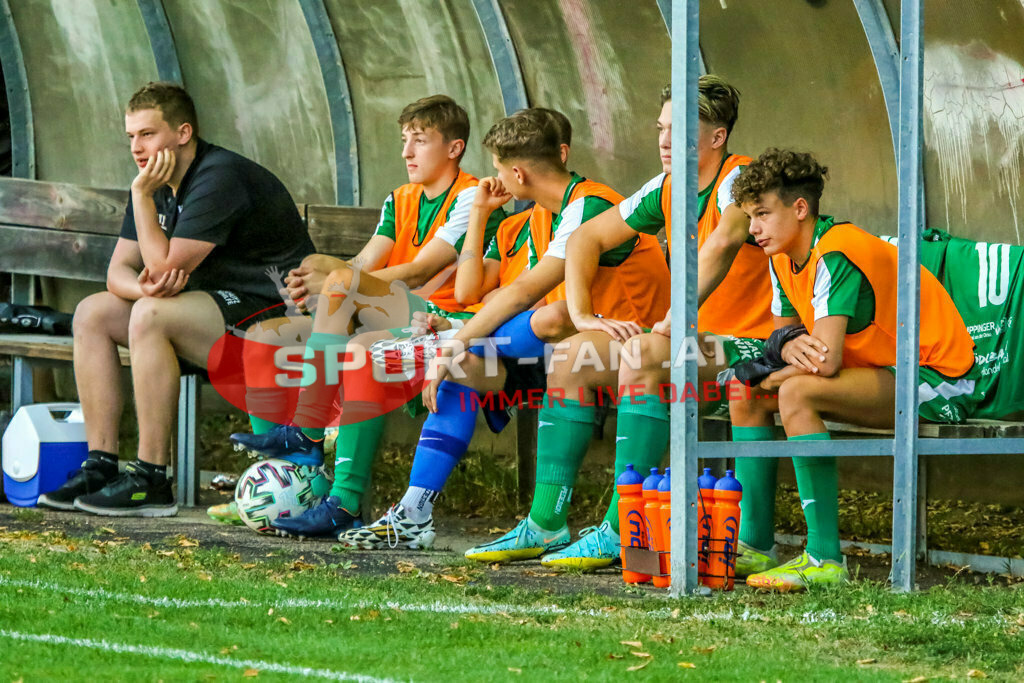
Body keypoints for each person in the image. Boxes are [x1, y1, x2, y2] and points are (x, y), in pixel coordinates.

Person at [353, 109, 670, 556]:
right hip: (555, 353)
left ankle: (447, 345)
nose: (496, 178)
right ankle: (414, 511)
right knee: (463, 366)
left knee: (544, 318)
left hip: (620, 347)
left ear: (517, 173)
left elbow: (525, 295)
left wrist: (458, 336)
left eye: (500, 170)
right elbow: (497, 294)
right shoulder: (541, 215)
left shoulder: (588, 205)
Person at [231, 95, 505, 537]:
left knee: (342, 295)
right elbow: (364, 265)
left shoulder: (472, 194)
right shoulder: (399, 199)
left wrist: (338, 282)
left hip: (442, 318)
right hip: (389, 311)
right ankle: (288, 481)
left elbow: (422, 269)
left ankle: (316, 448)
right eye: (403, 140)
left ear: (454, 148)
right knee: (264, 337)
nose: (406, 152)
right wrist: (327, 280)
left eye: (420, 141)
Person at [37, 82, 315, 516]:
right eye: (131, 136)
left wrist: (141, 198)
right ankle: (101, 465)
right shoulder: (154, 180)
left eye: (147, 134)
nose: (137, 147)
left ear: (183, 133)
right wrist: (143, 287)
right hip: (208, 314)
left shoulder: (218, 176)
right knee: (93, 313)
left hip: (274, 320)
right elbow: (118, 273)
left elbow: (163, 265)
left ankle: (151, 478)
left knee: (151, 315)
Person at [730, 148, 980, 590]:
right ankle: (753, 544)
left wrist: (773, 369)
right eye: (750, 216)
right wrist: (779, 353)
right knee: (743, 392)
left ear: (800, 208)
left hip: (939, 377)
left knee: (794, 392)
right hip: (885, 372)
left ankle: (825, 558)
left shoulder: (836, 251)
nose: (753, 229)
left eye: (763, 214)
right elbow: (784, 344)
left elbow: (824, 362)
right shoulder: (782, 257)